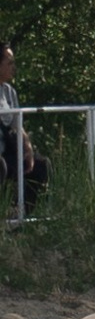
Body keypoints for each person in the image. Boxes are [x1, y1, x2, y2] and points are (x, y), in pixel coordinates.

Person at [0, 45, 44, 216]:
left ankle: (23, 216)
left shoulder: (9, 92)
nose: (13, 67)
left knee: (40, 166)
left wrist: (27, 149)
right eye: (9, 63)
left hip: (7, 151)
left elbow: (18, 126)